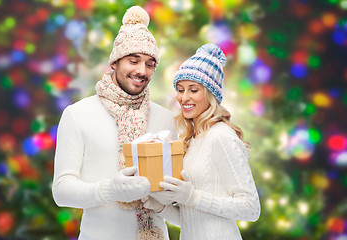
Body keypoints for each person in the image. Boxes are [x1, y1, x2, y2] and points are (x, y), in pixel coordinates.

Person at [52, 6, 177, 240]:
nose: (142, 70)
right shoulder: (78, 114)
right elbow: (61, 192)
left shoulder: (166, 119)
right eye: (133, 60)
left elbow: (179, 198)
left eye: (150, 64)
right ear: (115, 62)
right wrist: (111, 190)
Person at [142, 43, 261, 239]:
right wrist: (159, 207)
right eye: (180, 90)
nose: (184, 98)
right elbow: (193, 218)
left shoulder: (222, 136)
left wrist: (193, 197)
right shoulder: (191, 139)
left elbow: (251, 209)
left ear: (210, 94)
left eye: (193, 90)